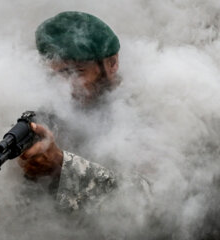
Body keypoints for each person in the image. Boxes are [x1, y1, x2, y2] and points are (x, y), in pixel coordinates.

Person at [17, 11, 150, 212]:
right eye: (56, 75)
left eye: (77, 72)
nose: (65, 87)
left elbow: (147, 202)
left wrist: (62, 167)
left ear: (112, 64)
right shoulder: (48, 109)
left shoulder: (148, 109)